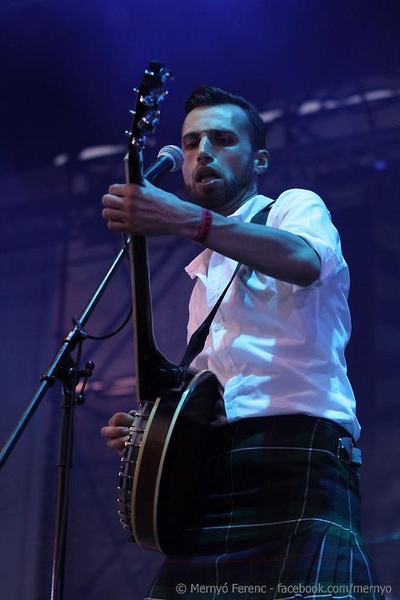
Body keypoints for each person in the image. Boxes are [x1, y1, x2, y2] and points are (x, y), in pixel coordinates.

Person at [100, 86, 382, 599]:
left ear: (260, 160)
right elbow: (206, 392)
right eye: (191, 143)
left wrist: (187, 220)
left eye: (222, 139)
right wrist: (154, 428)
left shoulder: (293, 207)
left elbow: (303, 261)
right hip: (213, 472)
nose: (202, 152)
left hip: (297, 455)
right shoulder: (203, 274)